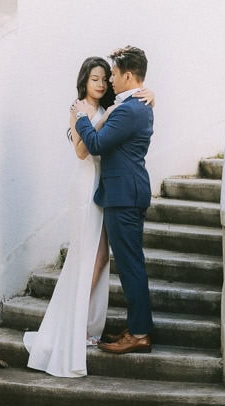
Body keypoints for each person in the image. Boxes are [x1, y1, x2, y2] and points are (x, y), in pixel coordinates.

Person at [23, 56, 153, 377]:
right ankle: (73, 324)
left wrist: (149, 93)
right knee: (89, 259)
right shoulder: (78, 108)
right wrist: (86, 118)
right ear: (84, 81)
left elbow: (129, 109)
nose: (102, 83)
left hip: (109, 189)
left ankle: (87, 324)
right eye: (95, 78)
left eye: (105, 78)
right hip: (88, 188)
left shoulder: (120, 106)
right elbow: (84, 151)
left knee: (101, 259)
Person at [74, 45, 154, 355]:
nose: (111, 78)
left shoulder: (130, 110)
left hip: (124, 196)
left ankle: (139, 333)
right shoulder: (135, 105)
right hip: (125, 193)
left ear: (129, 75)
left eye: (115, 74)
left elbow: (94, 144)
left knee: (131, 265)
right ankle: (139, 325)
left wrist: (82, 117)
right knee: (132, 263)